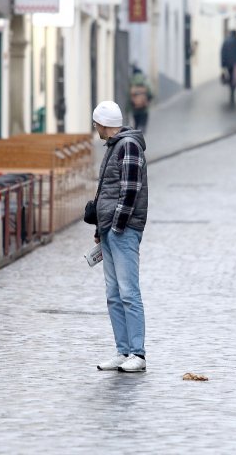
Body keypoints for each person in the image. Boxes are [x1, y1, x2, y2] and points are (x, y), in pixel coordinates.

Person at [91, 101, 149, 373]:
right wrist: (99, 229)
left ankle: (137, 353)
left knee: (128, 292)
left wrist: (116, 226)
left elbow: (130, 190)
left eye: (96, 124)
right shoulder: (115, 146)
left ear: (103, 124)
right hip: (109, 229)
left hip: (123, 230)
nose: (95, 129)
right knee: (114, 294)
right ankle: (122, 350)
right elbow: (106, 191)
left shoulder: (128, 146)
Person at [220, 30, 236, 106]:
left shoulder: (226, 41)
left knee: (231, 77)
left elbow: (222, 53)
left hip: (228, 63)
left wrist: (222, 64)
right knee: (235, 78)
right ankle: (233, 90)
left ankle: (231, 90)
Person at [129, 68, 153, 133]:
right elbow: (151, 93)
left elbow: (128, 95)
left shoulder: (131, 82)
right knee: (143, 122)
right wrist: (147, 101)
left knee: (136, 123)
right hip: (144, 108)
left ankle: (136, 133)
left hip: (135, 108)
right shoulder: (145, 82)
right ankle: (142, 131)